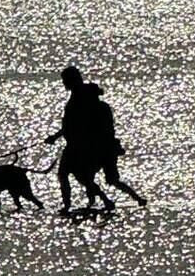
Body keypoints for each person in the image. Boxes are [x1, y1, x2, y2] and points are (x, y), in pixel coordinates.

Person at [47, 64, 147, 215]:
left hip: (81, 147)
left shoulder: (78, 100)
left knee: (70, 175)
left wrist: (55, 137)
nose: (63, 83)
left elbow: (72, 125)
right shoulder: (87, 99)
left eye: (65, 80)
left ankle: (71, 205)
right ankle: (127, 199)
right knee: (97, 178)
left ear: (70, 80)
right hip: (87, 146)